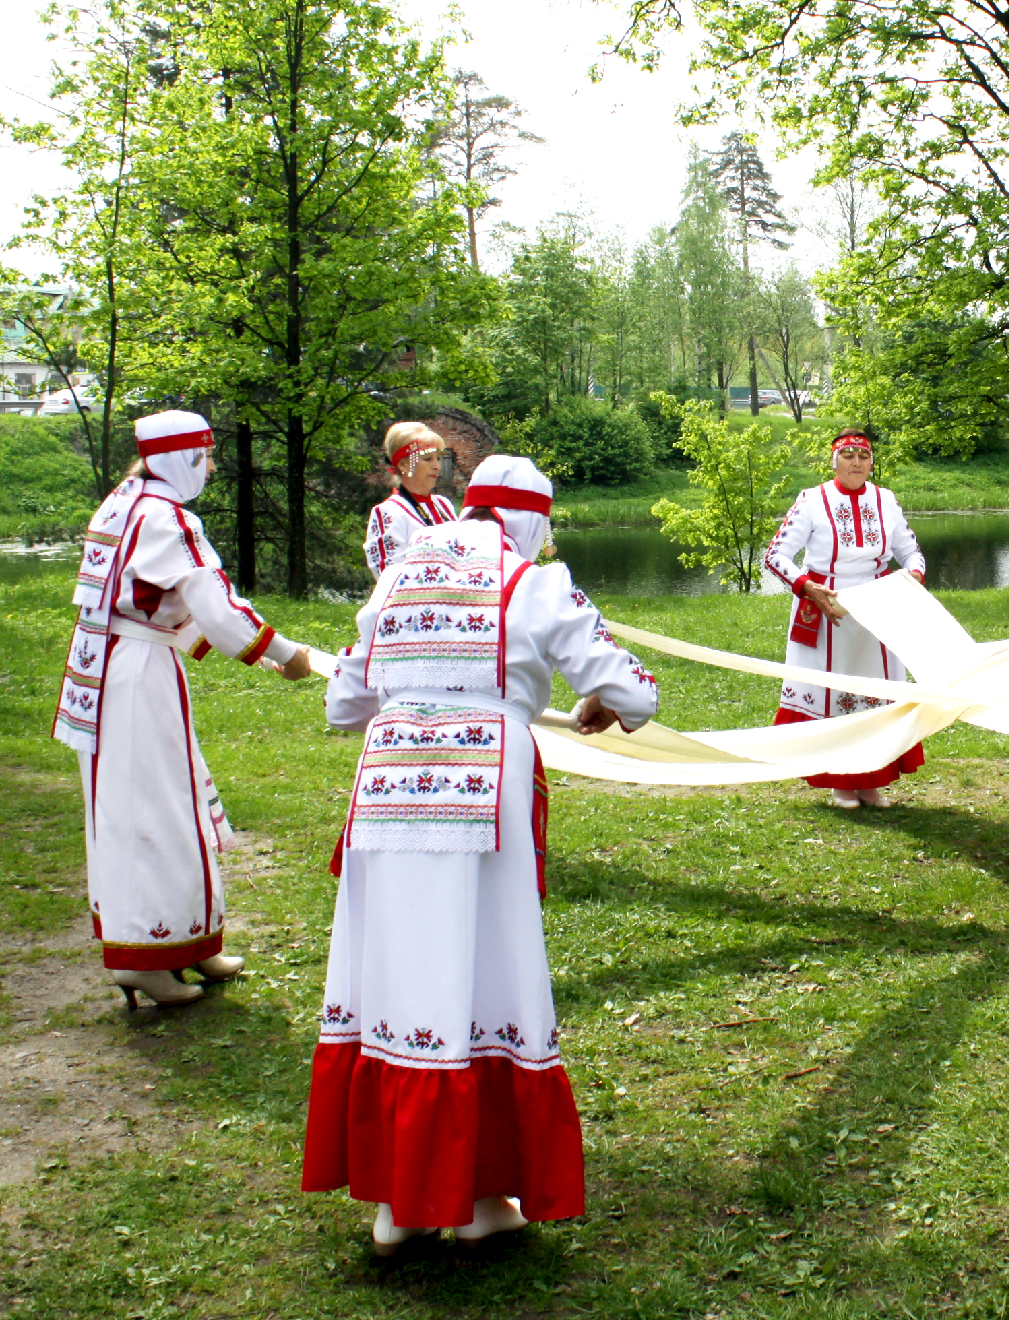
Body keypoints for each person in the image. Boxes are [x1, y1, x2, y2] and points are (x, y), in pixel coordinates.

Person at [306, 455, 660, 1255]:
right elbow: (636, 690)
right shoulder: (535, 581)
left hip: (392, 778)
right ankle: (479, 1195)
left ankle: (398, 1203)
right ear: (533, 520)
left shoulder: (397, 575)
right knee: (485, 967)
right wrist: (594, 697)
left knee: (396, 970)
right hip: (481, 784)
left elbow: (343, 702)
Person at [53, 410, 313, 1010]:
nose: (214, 466)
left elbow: (151, 601)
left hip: (118, 667)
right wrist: (285, 651)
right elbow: (213, 604)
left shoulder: (124, 503)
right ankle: (144, 956)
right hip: (137, 680)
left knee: (171, 801)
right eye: (207, 455)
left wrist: (259, 656)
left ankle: (188, 940)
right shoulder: (167, 517)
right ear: (183, 459)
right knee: (154, 811)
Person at [762, 429, 927, 809]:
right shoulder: (812, 500)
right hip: (827, 606)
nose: (856, 462)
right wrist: (808, 587)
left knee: (876, 693)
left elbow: (911, 551)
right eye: (848, 455)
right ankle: (839, 782)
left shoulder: (885, 500)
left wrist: (912, 577)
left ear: (871, 463)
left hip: (877, 603)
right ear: (834, 461)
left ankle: (871, 782)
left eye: (863, 456)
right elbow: (775, 556)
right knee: (834, 692)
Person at [363, 421, 458, 577]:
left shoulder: (444, 505)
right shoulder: (389, 512)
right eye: (427, 458)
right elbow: (389, 576)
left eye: (438, 458)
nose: (437, 466)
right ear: (403, 464)